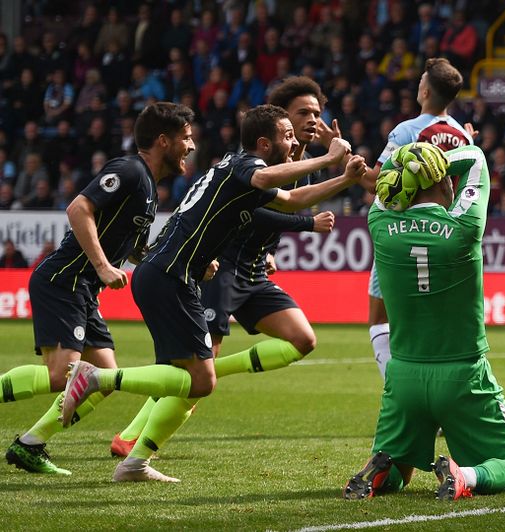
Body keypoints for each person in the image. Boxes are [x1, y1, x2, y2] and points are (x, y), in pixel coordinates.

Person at [59, 105, 362, 482]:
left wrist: (343, 178)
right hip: (169, 275)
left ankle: (133, 461)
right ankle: (99, 382)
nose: (294, 141)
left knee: (196, 380)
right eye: (287, 135)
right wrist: (332, 157)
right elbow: (271, 183)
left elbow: (293, 200)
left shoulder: (241, 171)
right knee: (199, 379)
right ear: (264, 143)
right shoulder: (244, 166)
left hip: (173, 275)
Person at [2, 103, 195, 476]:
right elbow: (78, 208)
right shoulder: (129, 170)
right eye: (185, 138)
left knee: (102, 376)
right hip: (65, 279)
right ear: (162, 141)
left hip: (84, 289)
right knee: (65, 376)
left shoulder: (150, 190)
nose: (190, 146)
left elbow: (137, 250)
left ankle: (31, 443)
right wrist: (103, 266)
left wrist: (188, 263)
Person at [344, 142, 505, 501]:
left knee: (401, 466)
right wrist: (431, 159)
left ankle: (381, 471)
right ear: (443, 180)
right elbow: (476, 156)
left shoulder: (380, 224)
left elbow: (386, 186)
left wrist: (408, 163)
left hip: (403, 378)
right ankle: (466, 476)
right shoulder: (464, 226)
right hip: (462, 375)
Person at [361, 58, 473, 380]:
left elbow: (377, 183)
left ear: (424, 90)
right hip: (445, 235)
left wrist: (343, 159)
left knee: (380, 321)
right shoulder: (463, 136)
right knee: (434, 319)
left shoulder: (407, 130)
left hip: (401, 234)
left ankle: (400, 395)